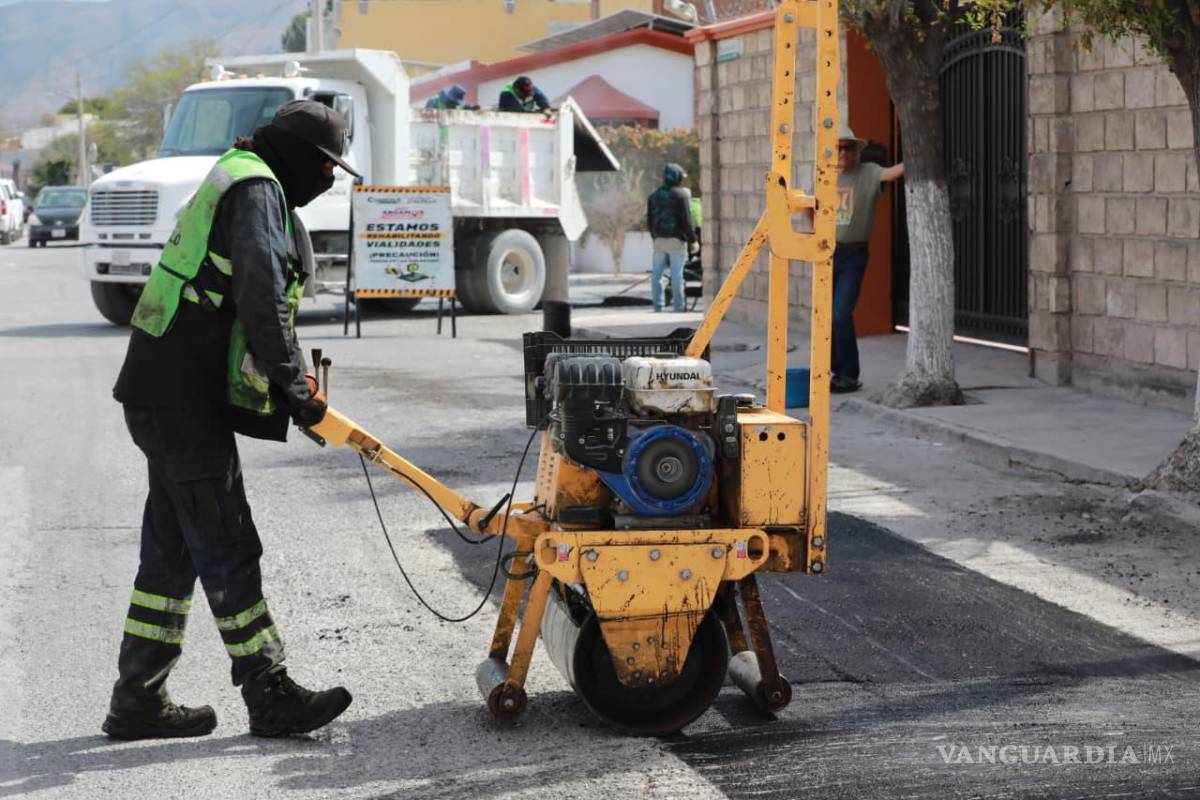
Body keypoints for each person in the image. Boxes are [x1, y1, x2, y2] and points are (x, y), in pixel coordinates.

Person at [104, 99, 360, 741]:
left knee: (171, 557)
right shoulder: (256, 189)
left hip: (163, 393)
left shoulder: (244, 173)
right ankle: (268, 691)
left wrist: (291, 388)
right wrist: (298, 391)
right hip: (179, 400)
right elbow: (262, 298)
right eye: (326, 165)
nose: (329, 177)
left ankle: (137, 700)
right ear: (299, 155)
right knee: (227, 543)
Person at [830, 125, 904, 393]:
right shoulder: (823, 177)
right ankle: (834, 371)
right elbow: (809, 206)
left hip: (853, 255)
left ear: (856, 152)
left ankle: (849, 374)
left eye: (848, 148)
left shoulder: (868, 173)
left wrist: (920, 151)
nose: (843, 154)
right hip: (826, 254)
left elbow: (893, 173)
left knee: (840, 313)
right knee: (827, 316)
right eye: (838, 148)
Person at [647, 163, 697, 313]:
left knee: (657, 274)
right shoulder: (681, 195)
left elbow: (649, 220)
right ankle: (679, 306)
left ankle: (658, 305)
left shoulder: (654, 196)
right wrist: (693, 239)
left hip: (659, 240)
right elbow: (686, 220)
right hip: (676, 240)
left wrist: (655, 236)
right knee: (677, 274)